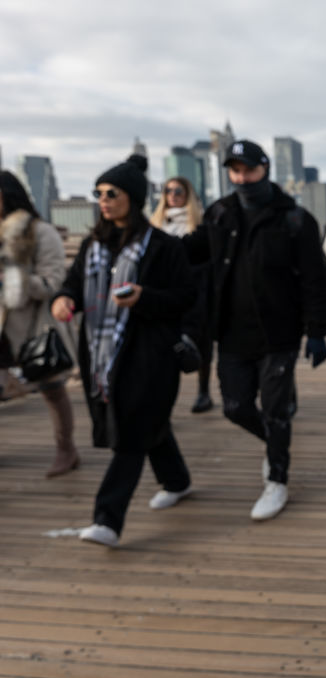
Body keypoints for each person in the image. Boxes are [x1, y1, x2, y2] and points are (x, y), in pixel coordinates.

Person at [180, 140, 326, 521]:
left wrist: (317, 331)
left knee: (277, 409)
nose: (241, 177)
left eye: (248, 169)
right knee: (235, 407)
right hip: (230, 332)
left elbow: (316, 279)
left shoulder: (294, 219)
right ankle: (274, 445)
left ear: (264, 169)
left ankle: (277, 479)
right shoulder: (219, 213)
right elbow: (189, 251)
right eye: (234, 171)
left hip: (279, 333)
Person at [51, 155, 196, 546]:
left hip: (149, 355)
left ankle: (107, 520)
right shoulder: (92, 245)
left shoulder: (163, 247)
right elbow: (72, 285)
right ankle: (177, 479)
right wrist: (65, 301)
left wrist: (145, 298)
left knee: (131, 433)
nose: (103, 199)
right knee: (148, 424)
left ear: (132, 197)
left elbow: (185, 298)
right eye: (98, 193)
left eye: (111, 193)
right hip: (101, 355)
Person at [0, 171, 80, 476]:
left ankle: (66, 449)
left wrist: (12, 277)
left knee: (52, 387)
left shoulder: (40, 232)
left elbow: (53, 282)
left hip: (29, 325)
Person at [151, 176, 214, 413]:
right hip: (163, 293)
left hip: (196, 290)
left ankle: (203, 391)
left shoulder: (200, 225)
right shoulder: (154, 225)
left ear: (187, 194)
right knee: (163, 346)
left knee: (201, 342)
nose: (173, 195)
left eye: (178, 191)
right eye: (168, 190)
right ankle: (164, 399)